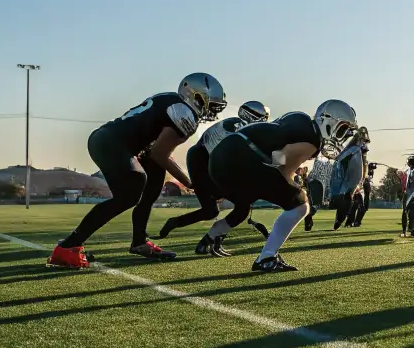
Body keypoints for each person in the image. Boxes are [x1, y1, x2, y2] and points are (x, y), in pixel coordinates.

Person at [47, 73, 225, 270]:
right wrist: (189, 182)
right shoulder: (185, 114)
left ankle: (139, 242)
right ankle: (69, 246)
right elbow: (160, 153)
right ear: (196, 97)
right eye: (211, 103)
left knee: (153, 182)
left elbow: (157, 152)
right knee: (130, 193)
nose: (212, 110)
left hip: (111, 141)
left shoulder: (170, 100)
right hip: (113, 144)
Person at [205, 101, 358, 272]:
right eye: (343, 130)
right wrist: (298, 188)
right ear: (327, 121)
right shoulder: (312, 140)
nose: (342, 138)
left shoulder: (298, 118)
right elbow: (283, 167)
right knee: (300, 205)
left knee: (251, 196)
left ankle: (211, 228)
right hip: (242, 156)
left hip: (222, 155)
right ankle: (267, 257)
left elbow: (277, 153)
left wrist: (289, 178)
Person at [156, 100, 271, 254]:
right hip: (204, 163)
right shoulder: (238, 127)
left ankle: (190, 231)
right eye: (262, 118)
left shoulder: (237, 125)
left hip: (204, 162)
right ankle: (210, 240)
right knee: (239, 206)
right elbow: (229, 158)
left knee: (212, 211)